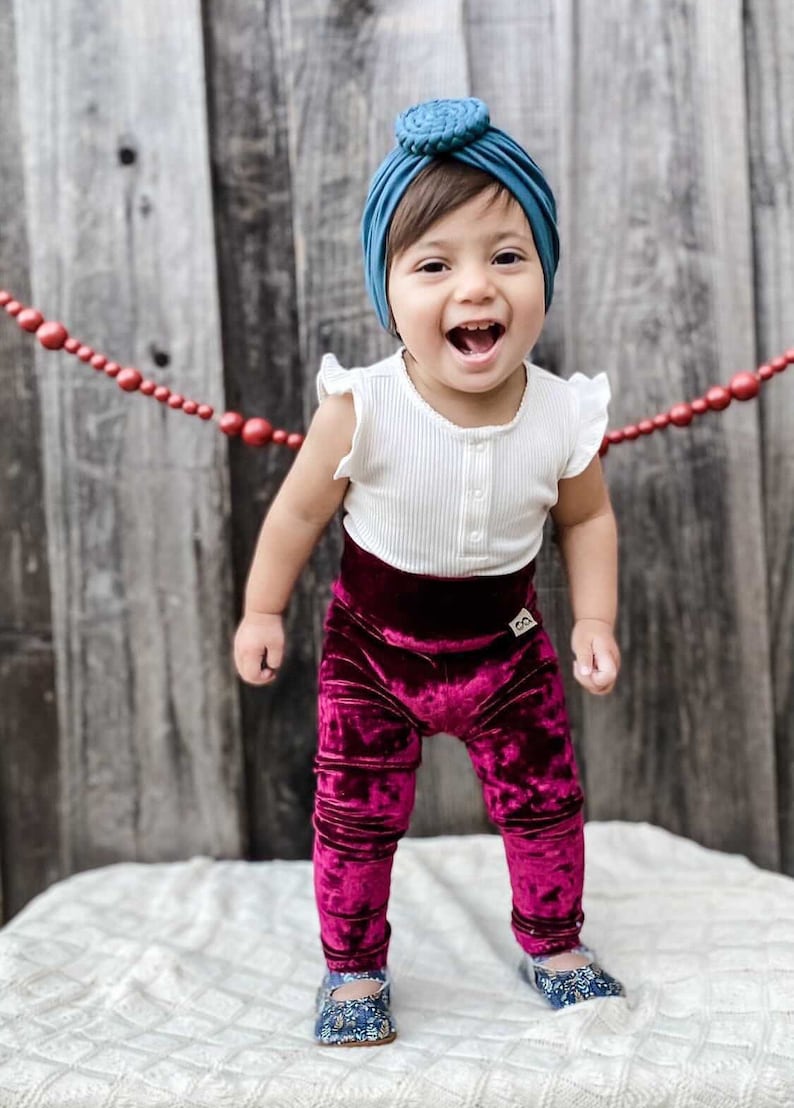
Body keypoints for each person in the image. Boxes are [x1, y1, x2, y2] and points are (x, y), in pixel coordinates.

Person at [234, 97, 625, 1047]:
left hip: (509, 650)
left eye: (506, 256)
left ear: (543, 273)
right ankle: (354, 970)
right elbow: (295, 512)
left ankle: (554, 942)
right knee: (354, 816)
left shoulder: (563, 415)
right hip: (372, 654)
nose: (476, 289)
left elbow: (589, 519)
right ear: (390, 289)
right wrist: (262, 610)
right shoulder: (361, 407)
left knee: (546, 803)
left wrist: (594, 623)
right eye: (435, 265)